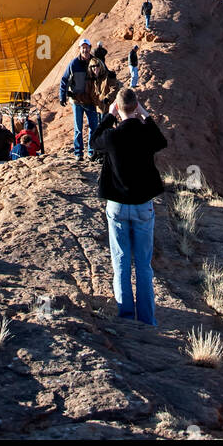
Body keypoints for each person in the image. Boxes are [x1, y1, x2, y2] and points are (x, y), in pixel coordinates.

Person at [90, 87, 167, 326]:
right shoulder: (146, 134)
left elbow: (94, 141)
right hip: (143, 205)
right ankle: (146, 320)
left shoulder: (112, 137)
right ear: (136, 107)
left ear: (118, 107)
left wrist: (110, 116)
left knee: (121, 261)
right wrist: (144, 114)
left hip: (117, 205)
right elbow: (161, 140)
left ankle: (125, 316)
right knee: (143, 265)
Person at [59, 39, 99, 161]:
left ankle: (91, 151)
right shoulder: (73, 63)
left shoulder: (95, 62)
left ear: (90, 48)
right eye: (83, 47)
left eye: (87, 47)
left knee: (94, 126)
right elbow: (64, 79)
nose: (85, 50)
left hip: (90, 100)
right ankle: (78, 152)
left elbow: (104, 75)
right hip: (76, 101)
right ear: (79, 49)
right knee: (78, 128)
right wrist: (62, 95)